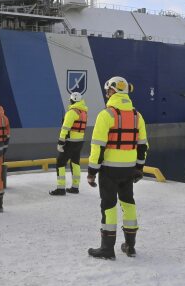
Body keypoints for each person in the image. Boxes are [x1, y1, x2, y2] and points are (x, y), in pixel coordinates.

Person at [86, 76, 148, 259]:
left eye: (108, 91)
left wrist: (91, 172)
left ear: (113, 91)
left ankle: (107, 248)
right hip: (129, 170)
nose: (106, 94)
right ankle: (130, 246)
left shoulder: (106, 115)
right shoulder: (137, 115)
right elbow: (143, 145)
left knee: (109, 206)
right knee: (128, 203)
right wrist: (139, 168)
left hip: (109, 170)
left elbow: (98, 146)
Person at [49, 92, 88, 195]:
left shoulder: (72, 112)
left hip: (70, 142)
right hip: (79, 142)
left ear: (72, 100)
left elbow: (65, 128)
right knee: (75, 163)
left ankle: (61, 188)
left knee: (60, 163)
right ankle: (75, 187)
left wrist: (61, 141)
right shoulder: (83, 112)